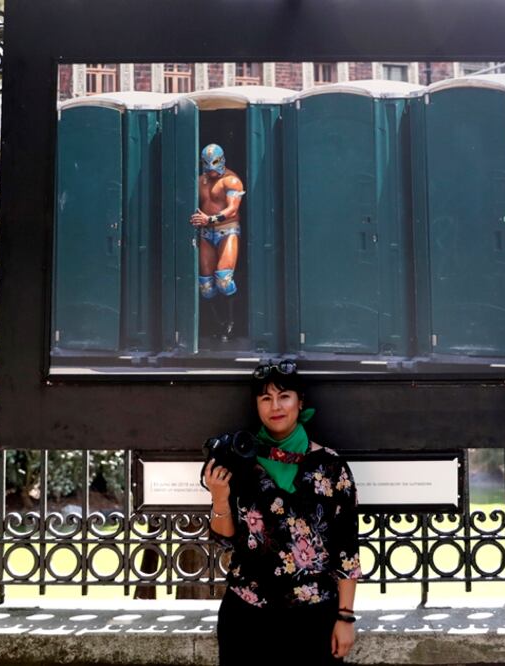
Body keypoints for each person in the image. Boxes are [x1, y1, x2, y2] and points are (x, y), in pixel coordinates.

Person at [204, 360, 360, 665]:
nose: (275, 406)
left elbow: (346, 547)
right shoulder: (240, 460)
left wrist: (346, 617)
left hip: (313, 619)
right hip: (247, 616)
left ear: (300, 402)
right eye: (265, 398)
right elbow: (225, 540)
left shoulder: (330, 466)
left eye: (284, 396)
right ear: (257, 406)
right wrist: (220, 499)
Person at [190, 143, 245, 342]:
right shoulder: (200, 180)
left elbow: (232, 209)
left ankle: (233, 322)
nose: (211, 170)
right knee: (206, 285)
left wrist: (210, 219)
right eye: (207, 164)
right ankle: (216, 322)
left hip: (227, 229)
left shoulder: (232, 180)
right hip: (205, 233)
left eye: (214, 164)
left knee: (224, 279)